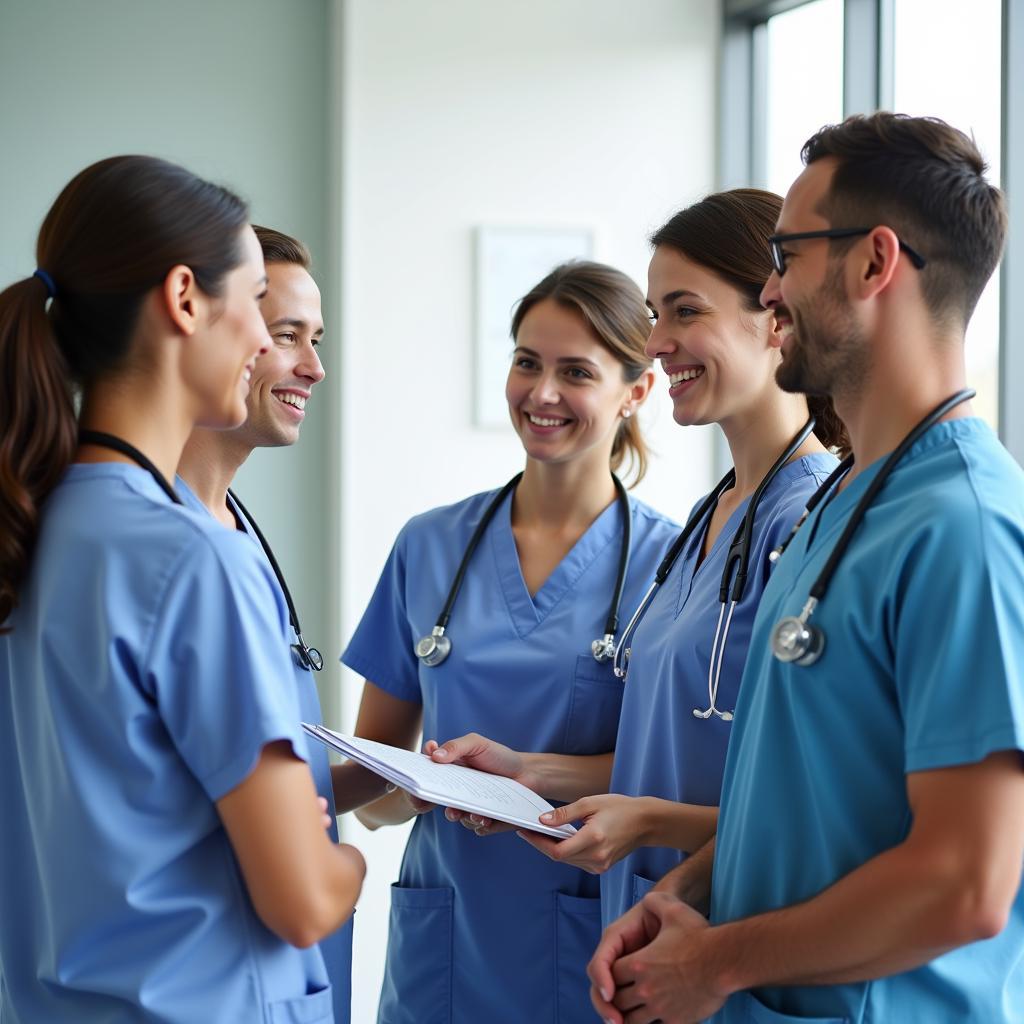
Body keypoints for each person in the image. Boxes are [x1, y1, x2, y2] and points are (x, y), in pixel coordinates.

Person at [590, 113, 1024, 1024]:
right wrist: (686, 905)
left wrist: (717, 963)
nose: (772, 289)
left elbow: (967, 881)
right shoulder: (848, 501)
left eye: (785, 255)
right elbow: (791, 800)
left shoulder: (964, 528)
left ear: (874, 263)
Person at [0, 156, 364, 1023]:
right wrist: (339, 859)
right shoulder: (189, 558)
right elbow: (304, 901)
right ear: (185, 299)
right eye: (255, 309)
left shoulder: (33, 526)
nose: (262, 346)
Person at [428, 191, 844, 928]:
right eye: (657, 315)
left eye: (685, 311)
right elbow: (671, 749)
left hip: (732, 934)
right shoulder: (706, 522)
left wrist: (648, 823)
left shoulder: (813, 520)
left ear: (775, 314)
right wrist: (530, 773)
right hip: (647, 930)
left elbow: (824, 798)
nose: (655, 341)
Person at [339, 261, 680, 1023]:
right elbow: (380, 792)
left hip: (589, 935)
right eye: (527, 362)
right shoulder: (428, 546)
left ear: (636, 392)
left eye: (576, 372)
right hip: (444, 947)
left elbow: (680, 774)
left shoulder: (673, 567)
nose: (543, 393)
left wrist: (529, 777)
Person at [176, 225, 354, 1024]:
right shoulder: (173, 554)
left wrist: (403, 777)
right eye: (286, 336)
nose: (315, 368)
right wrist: (337, 862)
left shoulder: (237, 535)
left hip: (283, 979)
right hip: (206, 977)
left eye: (315, 340)